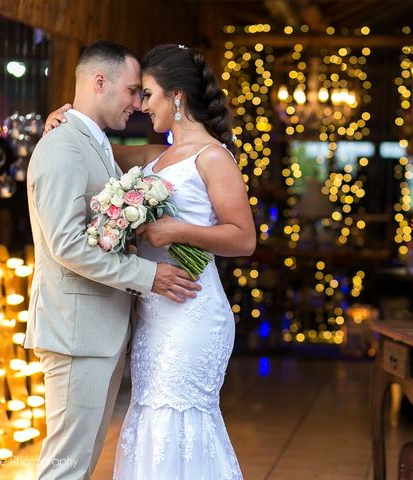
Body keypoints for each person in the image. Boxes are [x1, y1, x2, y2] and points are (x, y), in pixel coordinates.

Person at [46, 43, 254, 478]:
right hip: (154, 309)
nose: (141, 106)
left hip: (190, 308)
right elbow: (95, 152)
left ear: (177, 97)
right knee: (148, 419)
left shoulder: (213, 157)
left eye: (149, 95)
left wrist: (177, 231)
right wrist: (64, 122)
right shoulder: (158, 156)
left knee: (176, 419)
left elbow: (243, 238)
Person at [27, 41, 202, 480]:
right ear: (99, 82)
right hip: (75, 333)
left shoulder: (96, 143)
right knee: (64, 467)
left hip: (96, 332)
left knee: (80, 465)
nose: (138, 104)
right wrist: (149, 276)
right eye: (131, 91)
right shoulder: (63, 145)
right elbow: (67, 244)